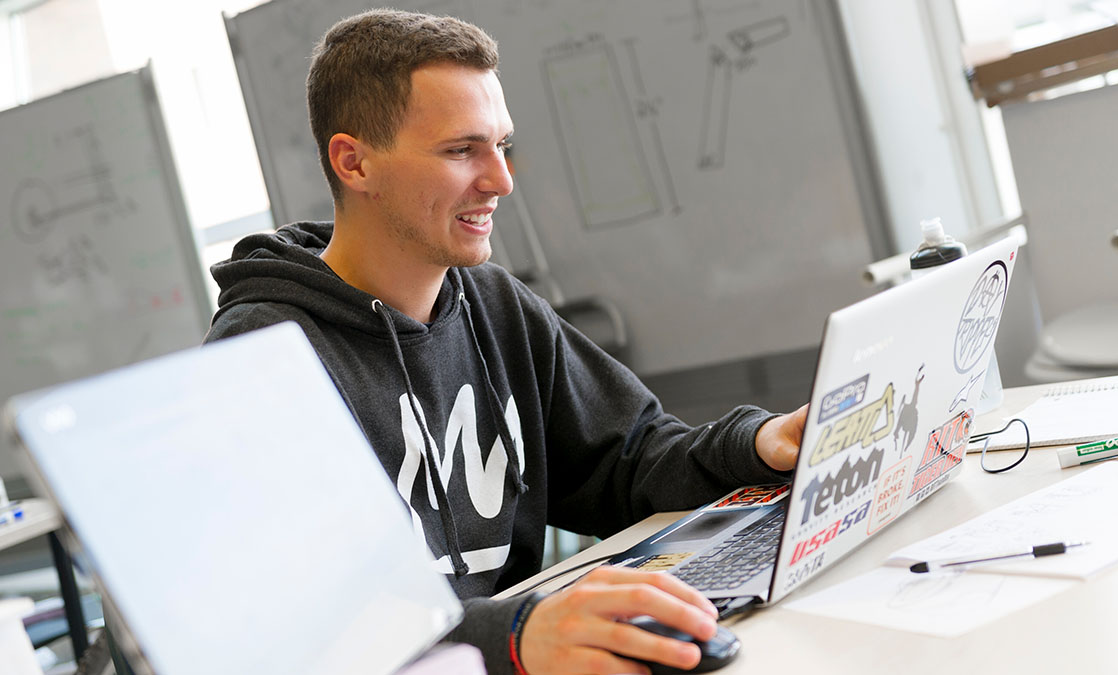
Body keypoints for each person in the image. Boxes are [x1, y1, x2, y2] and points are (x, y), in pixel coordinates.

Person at [204, 9, 807, 674]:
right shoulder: (260, 355)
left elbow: (626, 458)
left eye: (502, 144)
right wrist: (514, 637)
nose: (501, 179)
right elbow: (304, 622)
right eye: (462, 150)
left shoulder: (492, 302)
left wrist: (755, 443)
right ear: (354, 161)